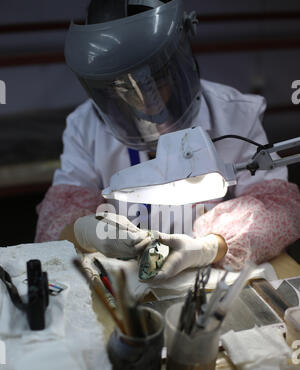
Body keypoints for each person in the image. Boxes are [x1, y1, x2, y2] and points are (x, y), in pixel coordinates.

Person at [35, 0, 300, 279]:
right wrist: (85, 232)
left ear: (179, 63)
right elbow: (57, 221)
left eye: (156, 80)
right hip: (127, 284)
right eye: (123, 87)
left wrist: (206, 248)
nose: (144, 101)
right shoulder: (85, 127)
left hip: (212, 276)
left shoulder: (234, 114)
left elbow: (276, 208)